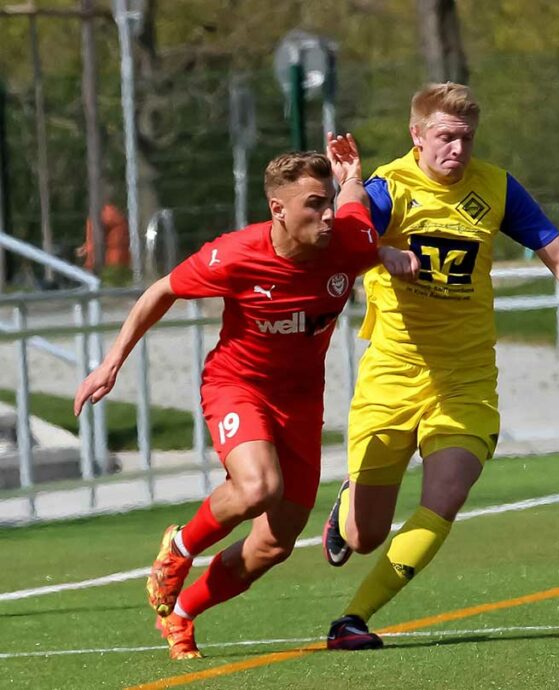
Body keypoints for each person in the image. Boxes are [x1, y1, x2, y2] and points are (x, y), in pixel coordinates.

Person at [73, 136, 401, 659]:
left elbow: (356, 207)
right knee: (258, 488)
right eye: (313, 204)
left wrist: (353, 180)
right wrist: (111, 362)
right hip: (237, 386)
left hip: (301, 403)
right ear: (278, 209)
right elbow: (161, 291)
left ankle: (182, 615)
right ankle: (179, 548)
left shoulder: (350, 240)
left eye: (327, 201)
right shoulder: (234, 255)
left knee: (275, 544)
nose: (326, 215)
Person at [320, 82, 559, 651]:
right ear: (417, 135)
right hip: (392, 376)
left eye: (467, 138)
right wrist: (379, 251)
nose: (458, 149)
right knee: (365, 533)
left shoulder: (496, 186)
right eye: (446, 137)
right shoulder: (390, 186)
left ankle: (353, 619)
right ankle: (349, 499)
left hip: (467, 380)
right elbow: (344, 242)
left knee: (445, 498)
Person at [77, 203, 131, 273]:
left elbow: (95, 240)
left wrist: (90, 263)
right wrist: (86, 247)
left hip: (112, 259)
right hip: (117, 257)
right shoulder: (111, 215)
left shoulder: (104, 215)